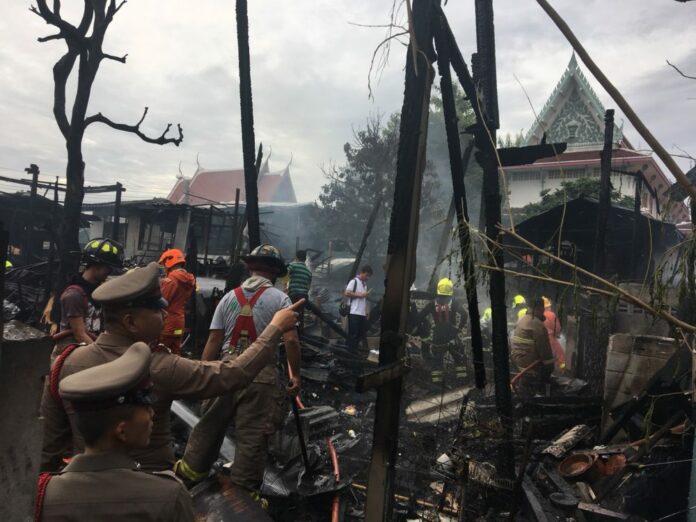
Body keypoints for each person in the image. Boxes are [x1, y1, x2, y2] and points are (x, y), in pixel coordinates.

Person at [40, 261, 303, 472]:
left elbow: (48, 449)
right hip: (152, 490)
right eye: (157, 310)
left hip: (83, 491)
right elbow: (233, 375)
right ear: (131, 322)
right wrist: (274, 329)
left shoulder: (66, 363)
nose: (166, 315)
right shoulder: (160, 367)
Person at [175, 244, 301, 503]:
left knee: (208, 427)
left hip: (225, 371)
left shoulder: (229, 297)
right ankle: (243, 498)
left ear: (249, 268)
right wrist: (295, 375)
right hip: (261, 375)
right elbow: (291, 341)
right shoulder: (281, 300)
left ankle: (187, 479)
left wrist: (203, 377)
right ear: (275, 272)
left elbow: (213, 341)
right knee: (252, 436)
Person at [36, 343, 195, 522]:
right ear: (122, 431)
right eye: (145, 407)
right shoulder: (169, 496)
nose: (152, 413)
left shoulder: (42, 496)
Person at [52, 238, 124, 357]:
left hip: (91, 348)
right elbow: (79, 334)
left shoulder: (98, 292)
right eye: (108, 268)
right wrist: (103, 356)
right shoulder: (74, 295)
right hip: (71, 354)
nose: (110, 272)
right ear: (96, 265)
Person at [412, 278, 469, 385]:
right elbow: (464, 315)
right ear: (450, 289)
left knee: (437, 361)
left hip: (438, 335)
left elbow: (420, 317)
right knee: (459, 358)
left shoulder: (432, 303)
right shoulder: (454, 302)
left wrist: (422, 327)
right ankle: (461, 381)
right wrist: (459, 328)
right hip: (452, 333)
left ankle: (436, 384)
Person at [510, 296, 555, 396]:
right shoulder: (537, 325)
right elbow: (546, 354)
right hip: (531, 368)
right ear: (539, 308)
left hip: (519, 365)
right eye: (542, 309)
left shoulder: (522, 320)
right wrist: (550, 368)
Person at [158, 248, 196, 355]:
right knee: (174, 355)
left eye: (164, 263)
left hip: (168, 323)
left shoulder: (171, 280)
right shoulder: (188, 279)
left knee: (158, 354)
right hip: (179, 323)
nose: (164, 267)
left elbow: (162, 301)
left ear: (170, 261)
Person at [345, 265, 373, 351]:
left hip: (361, 313)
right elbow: (347, 293)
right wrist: (360, 295)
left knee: (360, 334)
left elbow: (363, 300)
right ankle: (350, 352)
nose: (367, 277)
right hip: (354, 312)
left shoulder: (365, 285)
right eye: (367, 275)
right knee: (354, 334)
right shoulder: (354, 281)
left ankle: (353, 350)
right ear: (362, 272)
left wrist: (366, 312)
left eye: (369, 276)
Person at [286, 249, 312, 335]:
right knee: (300, 316)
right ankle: (299, 334)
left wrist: (285, 286)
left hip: (293, 294)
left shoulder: (292, 265)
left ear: (296, 257)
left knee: (290, 314)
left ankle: (290, 334)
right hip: (303, 296)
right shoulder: (308, 272)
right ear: (305, 259)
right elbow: (308, 287)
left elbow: (285, 274)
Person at [542, 296, 567, 372]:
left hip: (540, 338)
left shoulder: (537, 314)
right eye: (549, 306)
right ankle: (562, 371)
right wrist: (556, 335)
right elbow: (557, 328)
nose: (550, 308)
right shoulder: (551, 315)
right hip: (550, 338)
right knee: (560, 354)